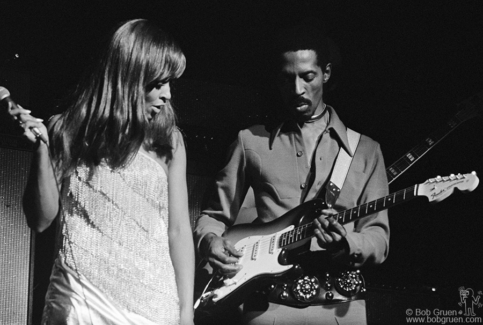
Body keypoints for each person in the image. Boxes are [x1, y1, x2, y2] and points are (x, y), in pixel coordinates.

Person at [194, 23, 389, 325]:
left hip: (339, 307)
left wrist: (347, 244)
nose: (297, 89)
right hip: (267, 305)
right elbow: (214, 216)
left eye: (307, 77)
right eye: (287, 79)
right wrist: (210, 241)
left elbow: (378, 237)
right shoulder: (251, 142)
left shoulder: (366, 150)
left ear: (325, 73)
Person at [8, 19, 195, 325]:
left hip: (153, 307)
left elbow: (178, 231)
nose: (168, 94)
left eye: (170, 83)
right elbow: (40, 219)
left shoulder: (168, 140)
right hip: (82, 303)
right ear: (131, 77)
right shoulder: (66, 130)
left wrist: (186, 311)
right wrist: (42, 147)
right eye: (159, 83)